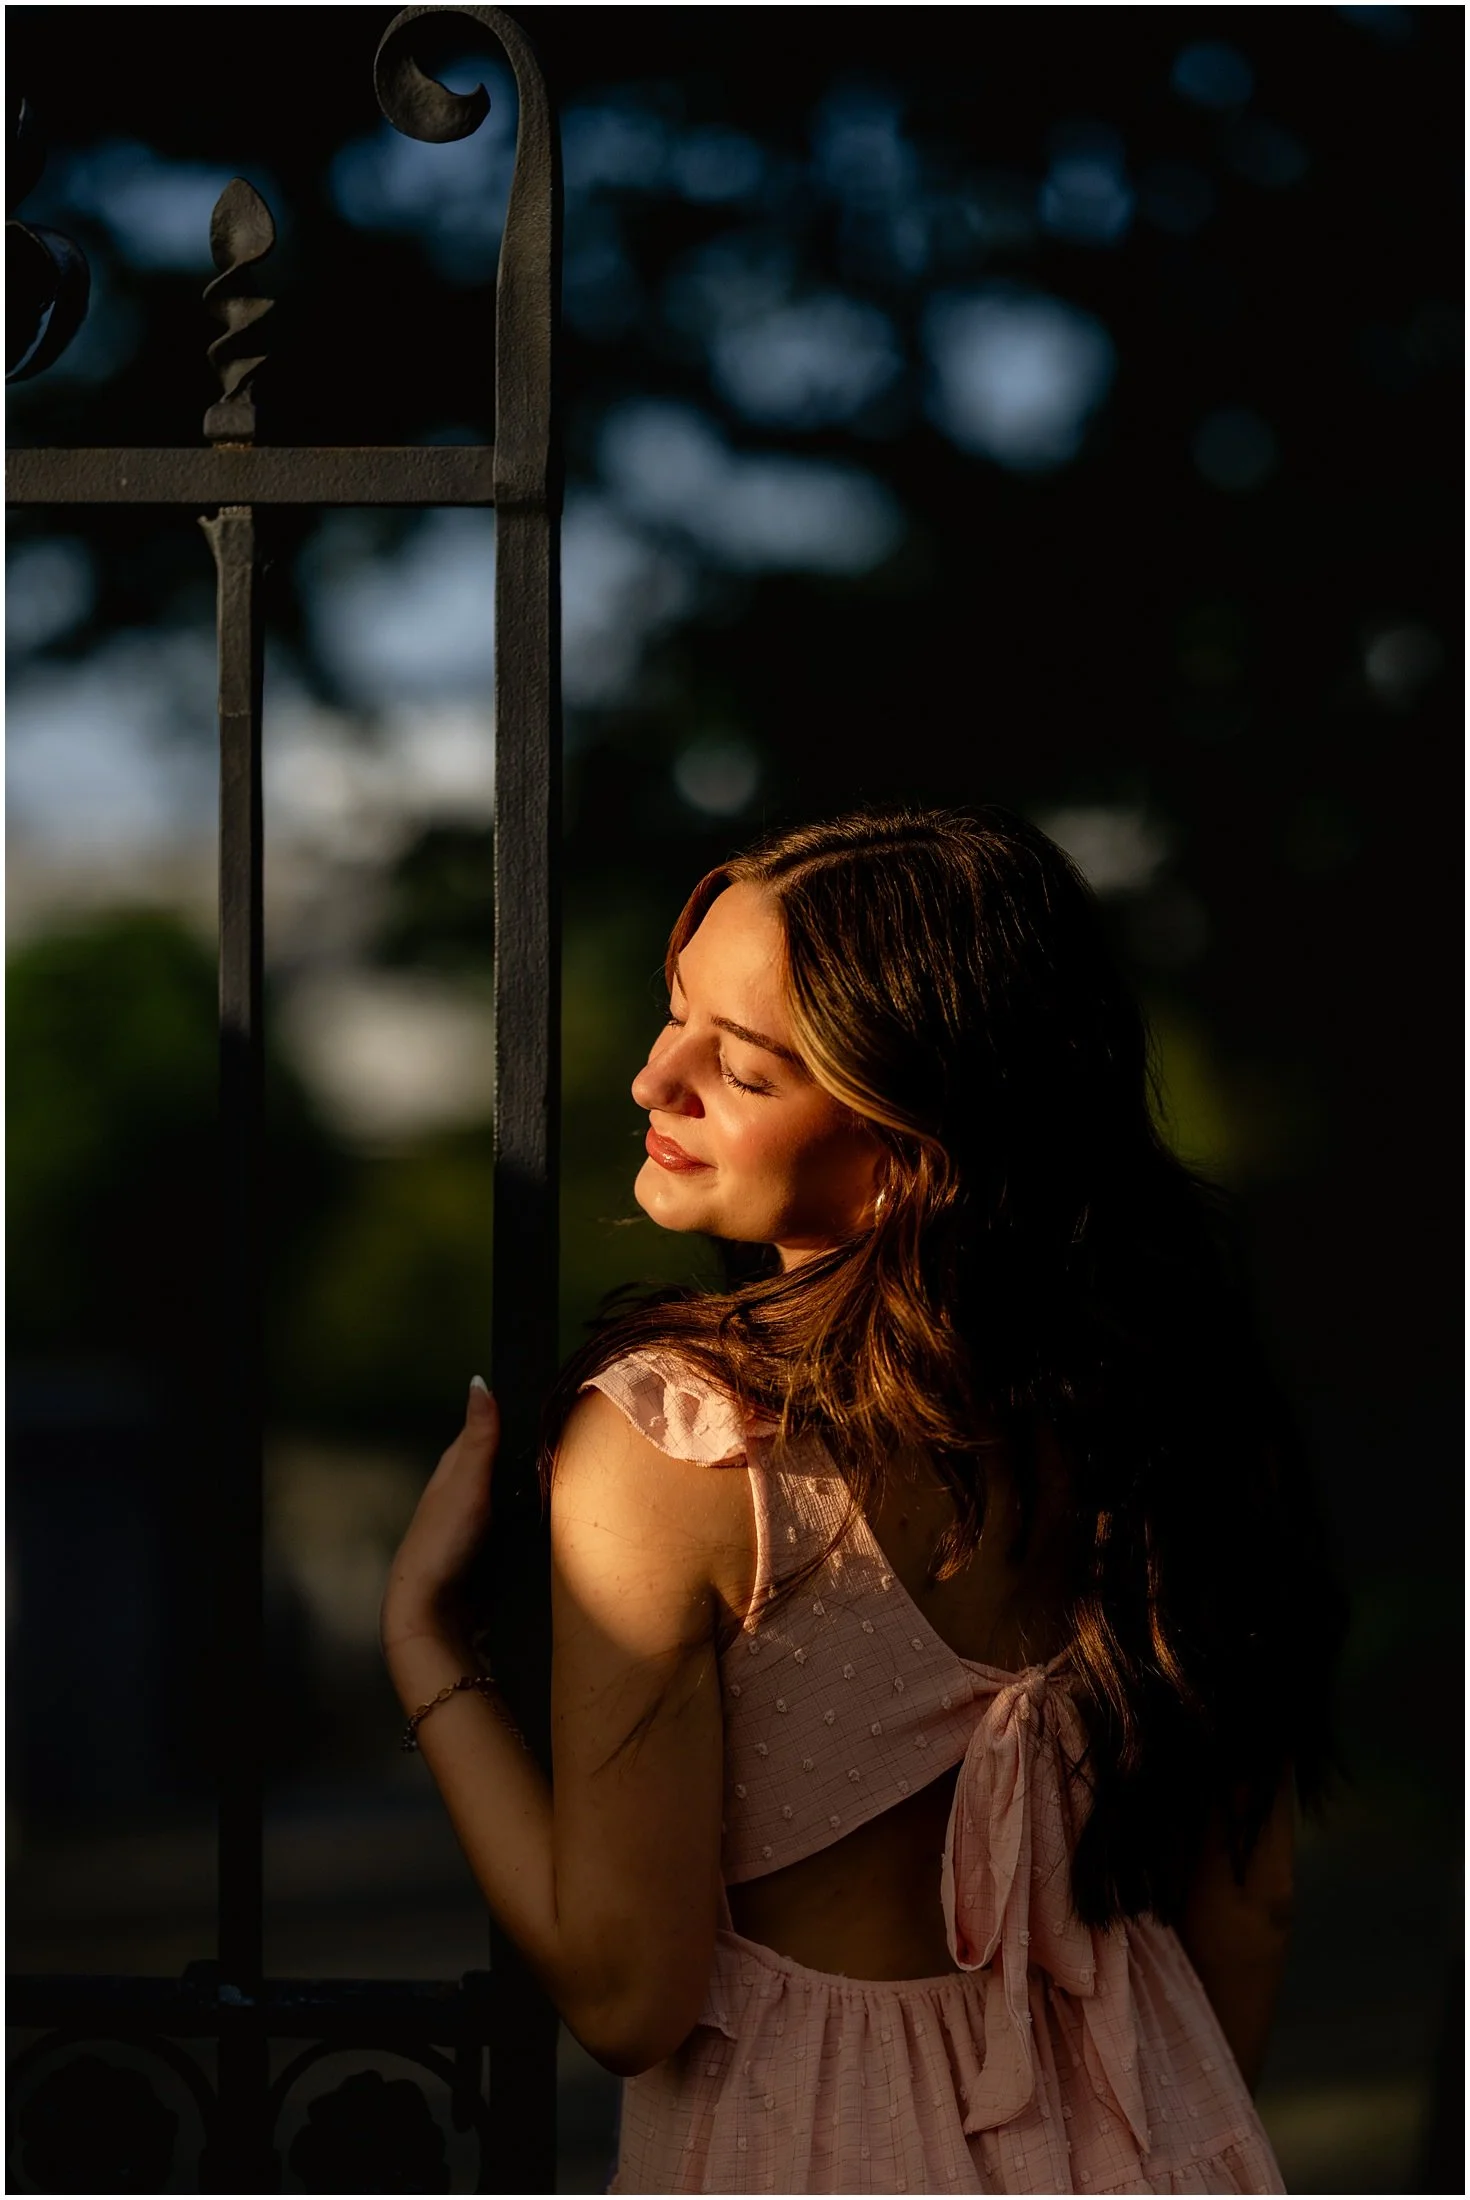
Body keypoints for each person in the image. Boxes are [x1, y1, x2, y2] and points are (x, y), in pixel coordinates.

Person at [380, 803, 1347, 2194]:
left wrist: (425, 1646)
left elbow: (627, 1994)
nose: (656, 1080)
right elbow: (1250, 1903)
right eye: (676, 1015)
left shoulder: (689, 1444)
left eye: (742, 1067)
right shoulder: (1178, 1407)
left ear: (912, 1143)